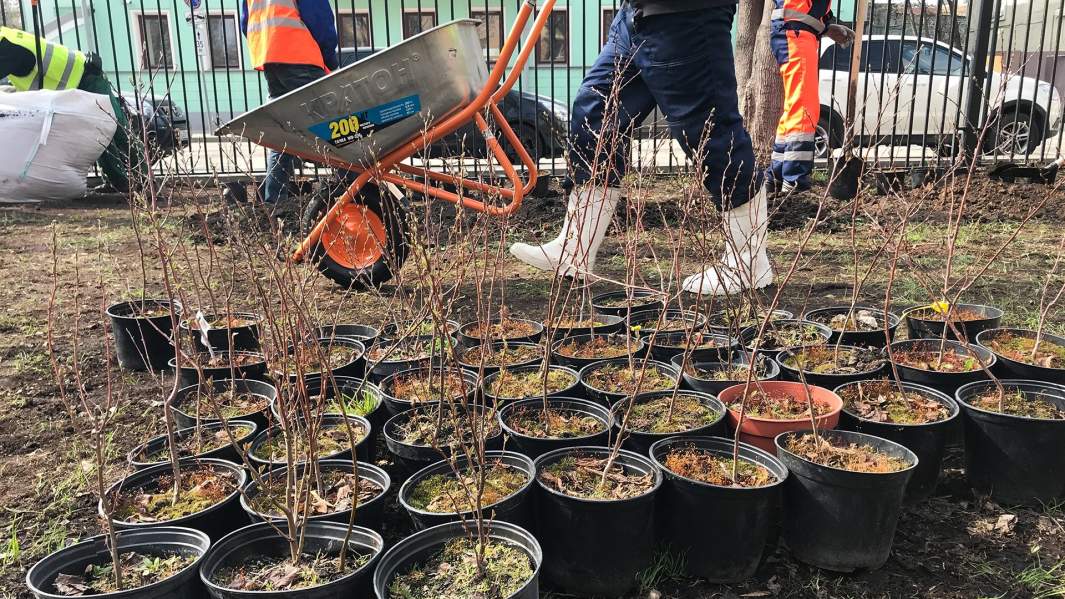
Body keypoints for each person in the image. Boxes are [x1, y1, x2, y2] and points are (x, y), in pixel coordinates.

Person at [509, 1, 771, 296]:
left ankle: (748, 263)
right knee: (595, 112)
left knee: (709, 133)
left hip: (686, 15)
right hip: (634, 15)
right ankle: (574, 250)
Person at [0, 26, 148, 194]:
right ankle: (119, 183)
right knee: (96, 135)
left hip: (87, 78)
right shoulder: (7, 38)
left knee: (118, 129)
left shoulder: (6, 48)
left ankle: (147, 180)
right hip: (76, 85)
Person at [240, 0, 338, 214]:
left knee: (283, 133)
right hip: (299, 55)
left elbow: (245, 22)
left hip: (269, 59)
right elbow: (319, 19)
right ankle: (357, 193)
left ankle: (275, 204)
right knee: (337, 124)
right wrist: (330, 59)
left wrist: (270, 47)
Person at [767, 0, 853, 194]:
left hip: (794, 32)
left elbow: (806, 7)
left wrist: (826, 26)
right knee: (804, 110)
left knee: (795, 108)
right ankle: (794, 182)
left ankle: (777, 177)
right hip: (796, 34)